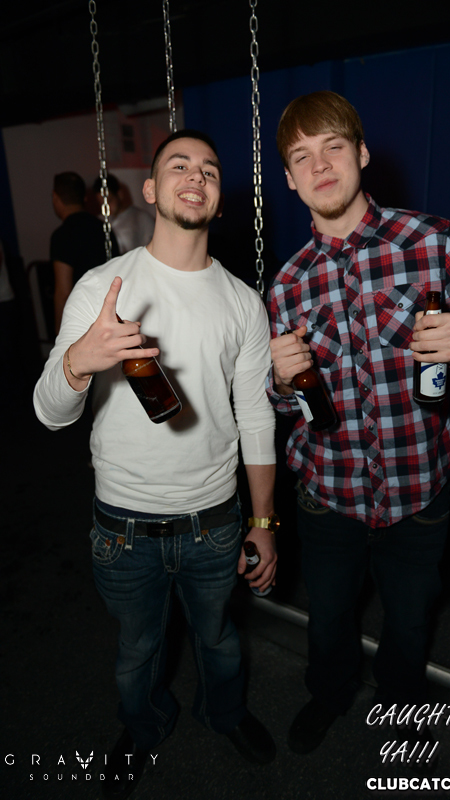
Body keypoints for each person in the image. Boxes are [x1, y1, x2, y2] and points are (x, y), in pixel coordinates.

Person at [267, 91, 450, 756]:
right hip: (327, 495)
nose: (321, 166)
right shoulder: (287, 284)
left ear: (362, 153)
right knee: (328, 619)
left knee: (409, 621)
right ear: (289, 179)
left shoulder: (432, 241)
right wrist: (281, 383)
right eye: (302, 157)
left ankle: (400, 707)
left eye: (333, 147)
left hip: (416, 489)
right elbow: (287, 404)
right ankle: (329, 693)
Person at [35, 129, 279, 799]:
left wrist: (263, 521)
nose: (195, 176)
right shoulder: (103, 287)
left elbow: (257, 418)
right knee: (137, 649)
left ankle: (224, 712)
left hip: (215, 522)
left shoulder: (243, 301)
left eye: (209, 169)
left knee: (219, 638)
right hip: (124, 527)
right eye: (179, 165)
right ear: (150, 190)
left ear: (219, 198)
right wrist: (79, 362)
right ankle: (143, 727)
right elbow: (49, 414)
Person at [50, 172, 119, 333]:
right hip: (112, 312)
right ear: (85, 198)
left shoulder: (62, 235)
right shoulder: (104, 228)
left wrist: (60, 334)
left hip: (82, 320)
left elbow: (63, 292)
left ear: (55, 198)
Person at [93, 174, 155, 254]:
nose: (106, 207)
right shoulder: (98, 221)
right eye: (101, 204)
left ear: (119, 194)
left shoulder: (141, 218)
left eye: (109, 201)